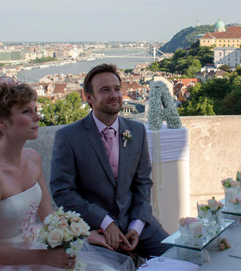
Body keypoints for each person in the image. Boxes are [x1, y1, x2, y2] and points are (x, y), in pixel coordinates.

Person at [0, 79, 132, 271]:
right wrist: (43, 258)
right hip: (6, 262)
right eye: (27, 111)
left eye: (36, 109)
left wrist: (83, 235)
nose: (37, 116)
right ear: (1, 122)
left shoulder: (32, 158)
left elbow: (46, 214)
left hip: (36, 247)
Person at [50, 63, 169, 260]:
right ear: (89, 98)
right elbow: (63, 192)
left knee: (181, 257)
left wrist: (136, 226)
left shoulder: (137, 131)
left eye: (117, 89)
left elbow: (143, 183)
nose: (114, 95)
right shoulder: (68, 137)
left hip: (137, 222)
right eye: (105, 90)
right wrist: (105, 222)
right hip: (96, 229)